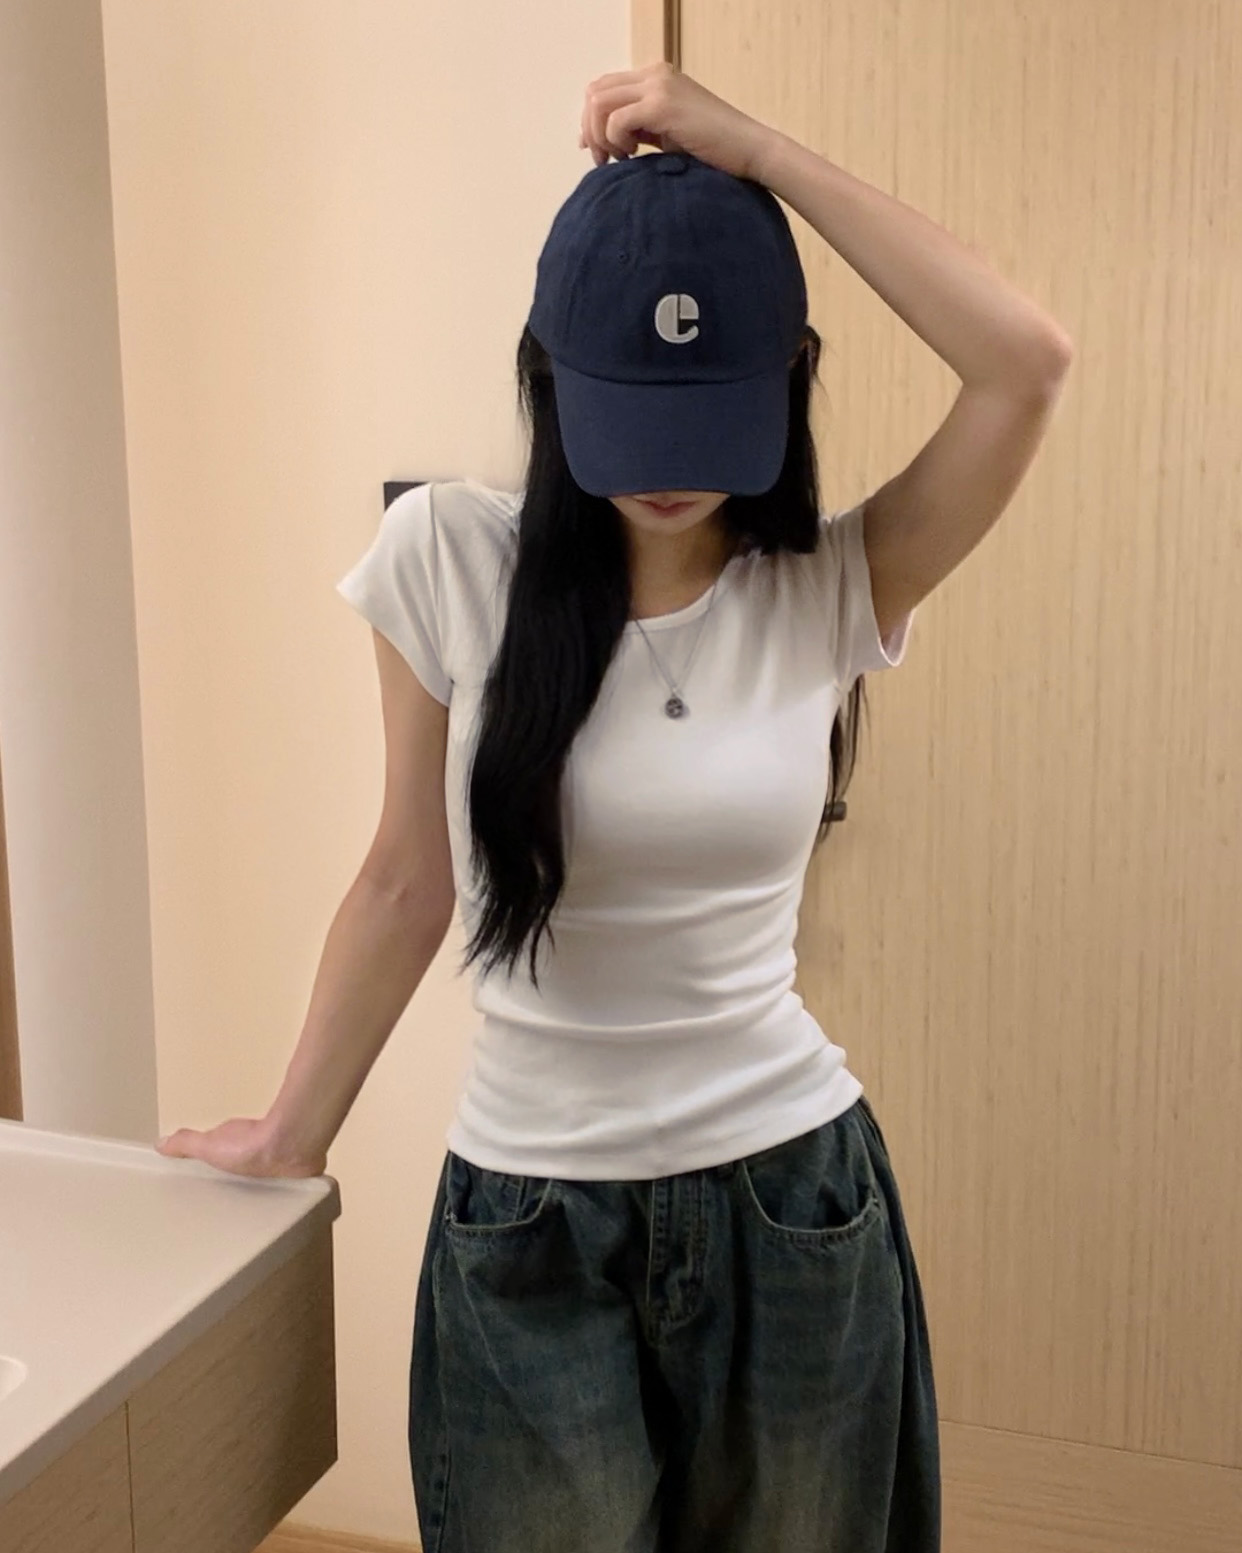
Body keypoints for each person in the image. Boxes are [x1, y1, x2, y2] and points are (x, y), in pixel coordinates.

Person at [157, 62, 1072, 1553]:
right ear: (550, 375)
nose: (665, 478)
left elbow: (1025, 362)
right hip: (531, 1215)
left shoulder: (830, 582)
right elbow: (404, 878)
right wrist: (290, 1132)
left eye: (708, 413)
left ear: (784, 380)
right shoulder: (446, 557)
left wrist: (754, 149)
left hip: (791, 1200)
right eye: (631, 414)